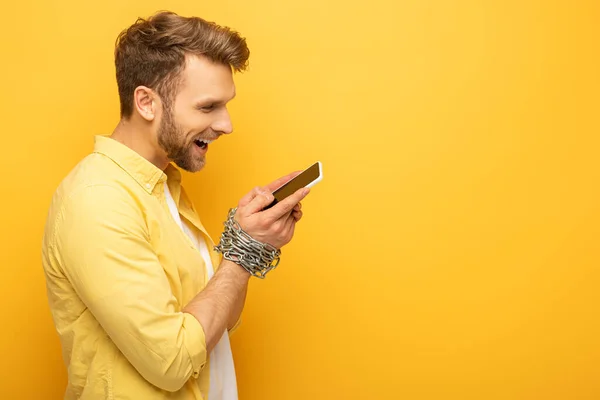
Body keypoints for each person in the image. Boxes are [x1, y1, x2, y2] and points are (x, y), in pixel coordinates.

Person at [41, 11, 309, 400]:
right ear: (147, 103)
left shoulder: (165, 186)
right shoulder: (99, 200)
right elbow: (171, 361)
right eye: (207, 107)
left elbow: (215, 325)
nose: (226, 124)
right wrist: (243, 253)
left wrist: (249, 238)